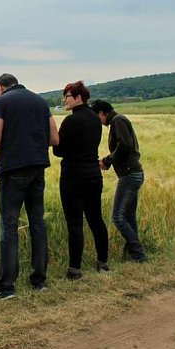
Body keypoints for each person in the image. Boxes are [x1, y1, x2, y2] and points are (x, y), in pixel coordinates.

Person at [0, 73, 60, 299]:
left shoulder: (1, 102)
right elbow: (54, 139)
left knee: (9, 226)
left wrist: (13, 149)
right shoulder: (40, 102)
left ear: (0, 88)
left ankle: (7, 287)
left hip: (13, 171)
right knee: (37, 223)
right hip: (38, 168)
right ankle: (39, 280)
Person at [53, 81, 110, 279]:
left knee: (75, 223)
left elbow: (58, 151)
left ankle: (75, 269)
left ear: (78, 98)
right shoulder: (95, 119)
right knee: (96, 219)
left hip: (73, 176)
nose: (64, 100)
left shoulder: (71, 121)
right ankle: (103, 262)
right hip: (93, 175)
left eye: (67, 96)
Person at [90, 100, 147, 262]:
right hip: (134, 173)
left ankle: (138, 253)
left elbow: (124, 145)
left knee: (118, 217)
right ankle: (134, 255)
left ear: (102, 113)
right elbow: (123, 147)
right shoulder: (119, 120)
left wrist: (107, 161)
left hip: (129, 174)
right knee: (129, 216)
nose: (98, 122)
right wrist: (108, 161)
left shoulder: (117, 121)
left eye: (96, 117)